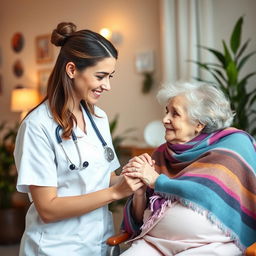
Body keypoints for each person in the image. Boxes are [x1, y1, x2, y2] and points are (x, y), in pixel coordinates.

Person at [14, 22, 144, 256]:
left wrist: (133, 177)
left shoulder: (98, 118)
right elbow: (48, 208)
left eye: (110, 76)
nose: (107, 86)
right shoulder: (37, 126)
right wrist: (116, 192)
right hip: (56, 248)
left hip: (99, 242)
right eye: (101, 76)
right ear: (72, 70)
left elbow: (104, 179)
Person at [121, 81, 256, 255]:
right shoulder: (162, 153)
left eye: (175, 114)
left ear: (198, 124)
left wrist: (156, 180)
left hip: (209, 245)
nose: (165, 119)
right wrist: (139, 192)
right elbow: (139, 220)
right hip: (154, 242)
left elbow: (206, 193)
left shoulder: (233, 145)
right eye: (166, 111)